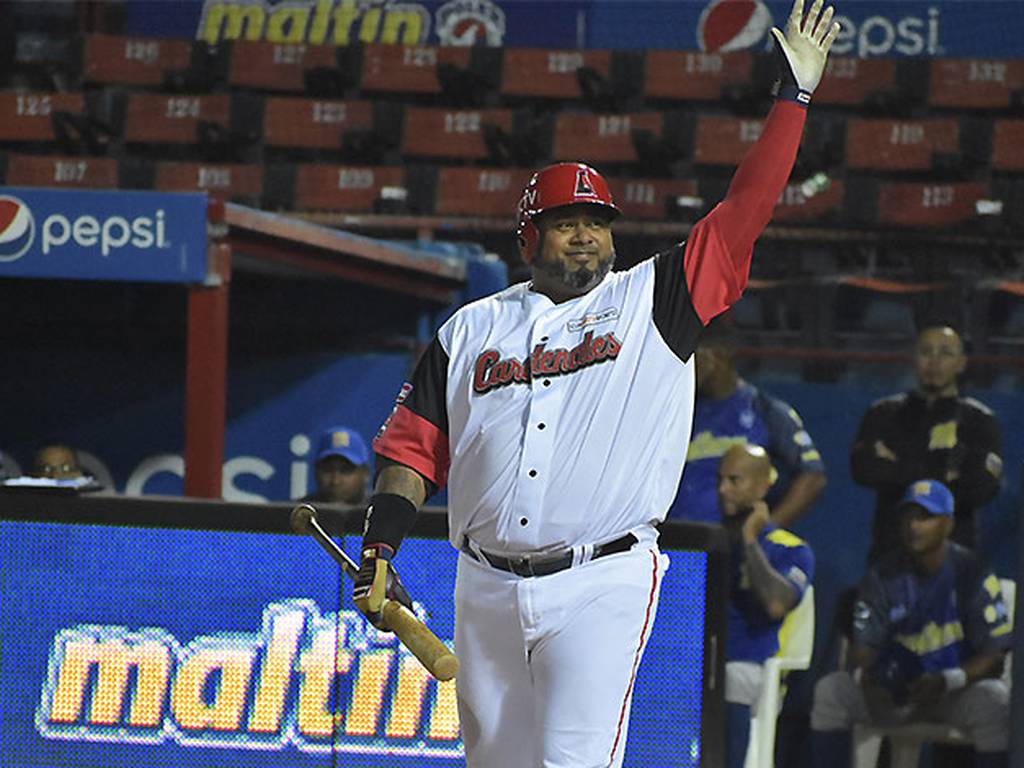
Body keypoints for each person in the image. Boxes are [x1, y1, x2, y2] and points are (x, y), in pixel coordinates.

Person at [351, 3, 841, 764]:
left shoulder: (658, 298)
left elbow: (745, 211)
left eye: (597, 219)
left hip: (600, 580)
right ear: (528, 238)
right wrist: (380, 543)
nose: (586, 231)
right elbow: (414, 451)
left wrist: (794, 98)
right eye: (565, 219)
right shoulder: (469, 329)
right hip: (482, 586)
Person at [809, 480, 1012, 768]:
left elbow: (995, 656)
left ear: (948, 524)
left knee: (995, 701)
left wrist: (947, 680)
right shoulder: (882, 575)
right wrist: (878, 675)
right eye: (908, 517)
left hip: (952, 692)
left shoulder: (972, 571)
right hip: (896, 692)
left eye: (925, 517)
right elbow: (863, 651)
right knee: (832, 691)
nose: (913, 526)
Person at [850, 321, 1003, 562]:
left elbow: (981, 488)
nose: (934, 361)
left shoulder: (978, 420)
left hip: (954, 562)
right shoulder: (883, 412)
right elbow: (864, 470)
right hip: (888, 556)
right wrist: (944, 472)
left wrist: (899, 467)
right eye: (926, 352)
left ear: (962, 362)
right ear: (913, 358)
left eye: (945, 353)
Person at [666, 319, 826, 527]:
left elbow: (812, 477)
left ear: (717, 355)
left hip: (729, 548)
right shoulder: (676, 411)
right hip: (675, 544)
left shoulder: (764, 409)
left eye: (692, 357)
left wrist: (764, 534)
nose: (684, 366)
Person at [719, 444, 815, 768]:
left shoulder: (790, 549)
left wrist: (748, 541)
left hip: (751, 665)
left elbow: (776, 604)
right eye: (721, 480)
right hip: (694, 664)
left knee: (732, 678)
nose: (723, 490)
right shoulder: (708, 540)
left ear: (763, 486)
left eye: (735, 480)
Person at [301, 425, 370, 505]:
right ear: (316, 471)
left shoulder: (380, 514)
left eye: (345, 470)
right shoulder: (296, 513)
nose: (335, 481)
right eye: (327, 470)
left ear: (365, 473)